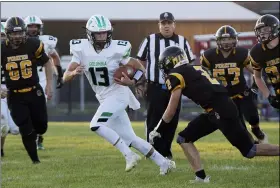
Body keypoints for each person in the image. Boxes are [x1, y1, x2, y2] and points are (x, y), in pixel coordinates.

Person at [63, 15, 175, 175]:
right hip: (103, 97)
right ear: (90, 34)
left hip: (118, 94)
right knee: (131, 138)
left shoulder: (117, 49)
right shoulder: (81, 50)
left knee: (96, 125)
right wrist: (73, 72)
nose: (102, 36)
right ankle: (164, 163)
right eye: (98, 33)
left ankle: (129, 156)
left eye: (105, 33)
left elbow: (138, 66)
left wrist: (135, 81)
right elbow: (65, 76)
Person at [149, 45, 279, 182]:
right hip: (217, 109)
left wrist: (157, 129)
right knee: (183, 138)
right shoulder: (197, 67)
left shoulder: (175, 74)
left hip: (221, 111)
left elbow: (171, 109)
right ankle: (201, 178)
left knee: (250, 151)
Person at [136, 12, 195, 159]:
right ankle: (152, 151)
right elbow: (140, 62)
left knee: (172, 120)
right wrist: (140, 81)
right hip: (155, 86)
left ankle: (165, 151)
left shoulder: (182, 41)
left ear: (174, 24)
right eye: (163, 23)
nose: (166, 26)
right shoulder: (150, 40)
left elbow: (190, 63)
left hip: (175, 88)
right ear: (159, 25)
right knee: (153, 119)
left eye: (169, 23)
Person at [201, 25, 267, 143]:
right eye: (223, 39)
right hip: (224, 98)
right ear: (218, 40)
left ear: (235, 39)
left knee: (252, 116)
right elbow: (202, 76)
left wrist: (255, 87)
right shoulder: (208, 56)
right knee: (239, 125)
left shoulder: (241, 53)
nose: (226, 42)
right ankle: (252, 143)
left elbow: (255, 72)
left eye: (230, 39)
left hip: (242, 93)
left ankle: (256, 130)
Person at [1, 17, 53, 163]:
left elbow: (47, 63)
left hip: (34, 91)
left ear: (24, 33)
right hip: (15, 95)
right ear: (8, 33)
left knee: (41, 126)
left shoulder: (33, 44)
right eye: (14, 33)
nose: (17, 37)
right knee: (25, 129)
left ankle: (38, 135)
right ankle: (35, 161)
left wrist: (49, 84)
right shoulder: (2, 48)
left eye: (20, 33)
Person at [24, 15, 63, 150]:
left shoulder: (47, 41)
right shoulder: (18, 42)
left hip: (41, 80)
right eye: (30, 26)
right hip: (23, 81)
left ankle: (37, 137)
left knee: (36, 111)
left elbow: (55, 57)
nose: (33, 29)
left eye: (35, 26)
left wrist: (60, 75)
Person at [249, 14, 280, 109]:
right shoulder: (256, 52)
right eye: (260, 30)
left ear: (275, 28)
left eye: (265, 30)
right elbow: (257, 77)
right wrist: (269, 96)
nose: (262, 33)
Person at [1, 21, 20, 157]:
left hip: (12, 90)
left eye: (3, 35)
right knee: (3, 124)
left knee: (15, 129)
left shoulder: (15, 51)